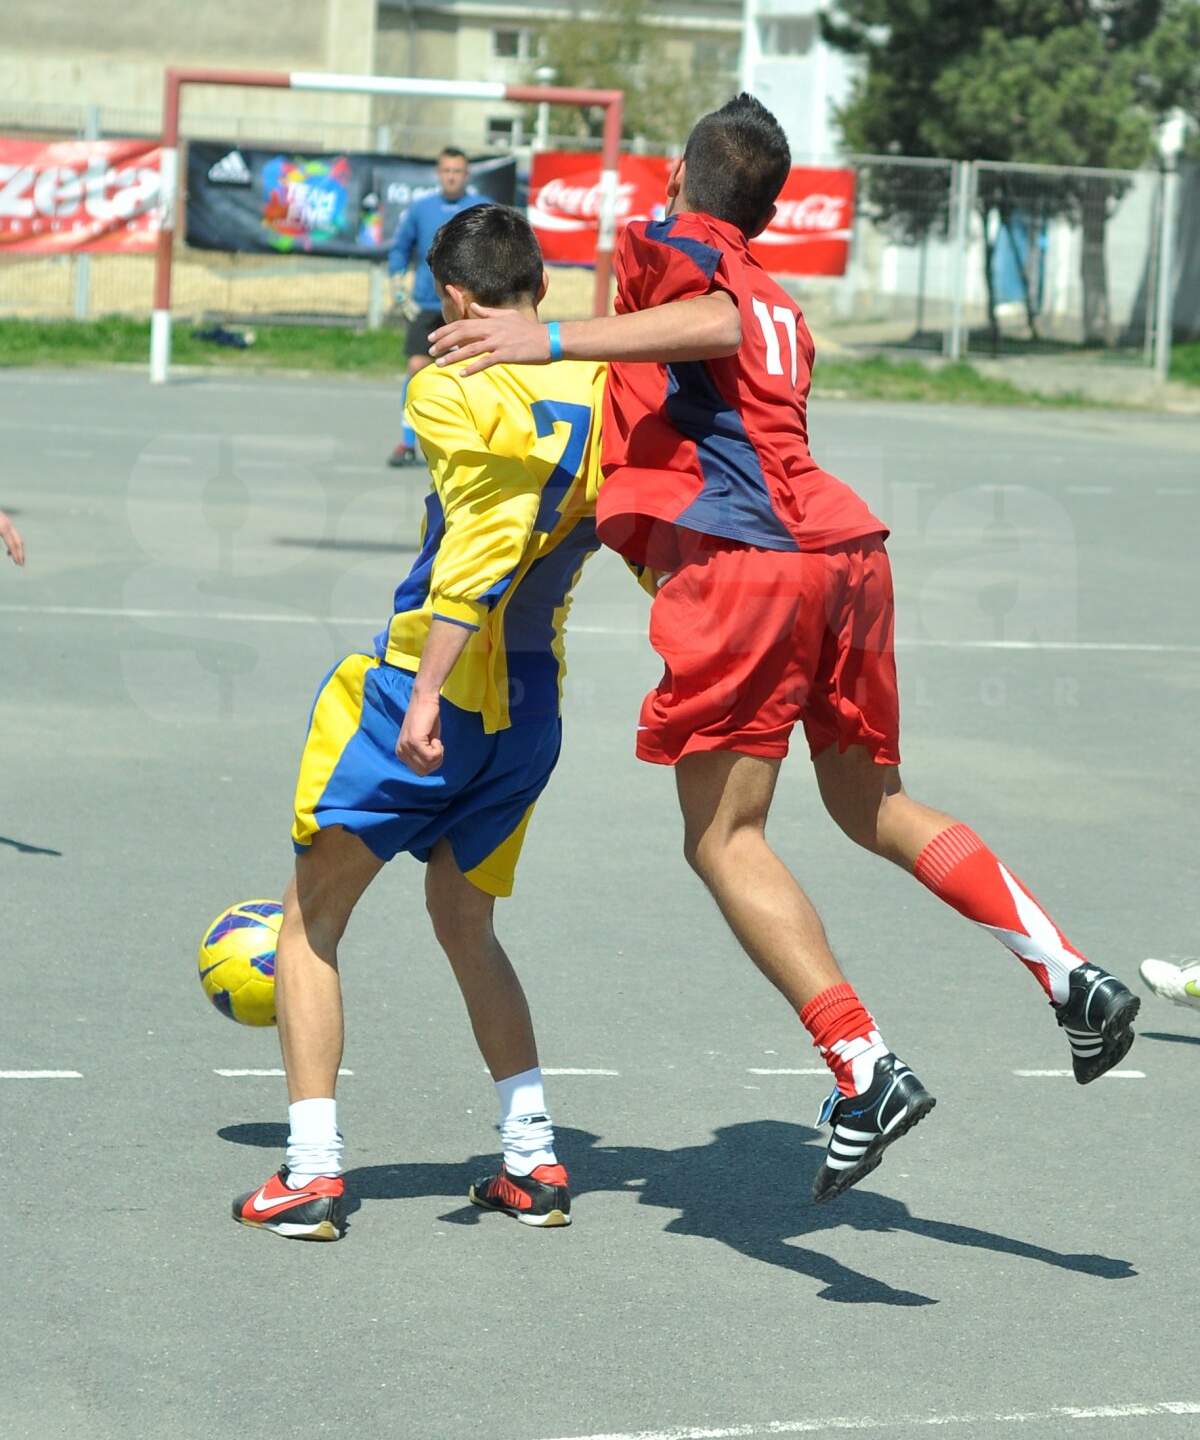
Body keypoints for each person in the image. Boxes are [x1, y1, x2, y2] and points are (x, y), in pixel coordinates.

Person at [429, 93, 1140, 1206]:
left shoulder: (679, 247)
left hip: (753, 563)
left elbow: (706, 321)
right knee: (872, 804)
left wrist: (546, 337)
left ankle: (863, 1066)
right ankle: (1070, 976)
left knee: (723, 836)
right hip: (844, 553)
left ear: (680, 177)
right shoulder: (783, 301)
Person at [233, 204, 605, 1240]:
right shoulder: (602, 381)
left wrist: (432, 685)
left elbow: (486, 530)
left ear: (452, 299)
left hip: (430, 688)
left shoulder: (448, 381)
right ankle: (531, 1158)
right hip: (533, 704)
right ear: (541, 285)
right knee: (465, 921)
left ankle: (311, 1173)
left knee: (309, 924)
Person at [385, 148, 491, 467]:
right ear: (438, 173)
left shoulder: (481, 208)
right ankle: (407, 442)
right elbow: (399, 249)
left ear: (466, 174)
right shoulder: (422, 209)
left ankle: (473, 443)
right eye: (446, 171)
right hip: (428, 304)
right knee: (417, 367)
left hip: (468, 305)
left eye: (457, 171)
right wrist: (398, 288)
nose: (451, 177)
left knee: (472, 369)